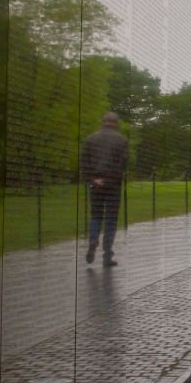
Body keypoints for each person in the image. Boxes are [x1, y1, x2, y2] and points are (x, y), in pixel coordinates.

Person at [81, 111, 129, 267]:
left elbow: (84, 162)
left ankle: (93, 238)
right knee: (111, 219)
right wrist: (109, 179)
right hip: (113, 185)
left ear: (103, 122)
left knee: (96, 215)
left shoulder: (90, 139)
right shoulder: (121, 140)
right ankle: (107, 255)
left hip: (95, 184)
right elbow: (122, 164)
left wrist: (94, 179)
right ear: (116, 123)